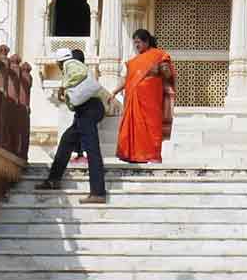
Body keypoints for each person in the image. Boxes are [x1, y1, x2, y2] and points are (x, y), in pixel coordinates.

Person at [43, 47, 110, 200]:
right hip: (85, 110)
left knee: (92, 149)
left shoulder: (70, 64)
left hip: (89, 109)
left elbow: (79, 74)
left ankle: (98, 192)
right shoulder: (72, 66)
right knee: (67, 140)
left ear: (60, 62)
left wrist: (63, 86)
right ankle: (53, 180)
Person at [115, 27, 176, 166]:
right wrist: (114, 92)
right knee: (133, 129)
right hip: (133, 100)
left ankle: (153, 156)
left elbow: (168, 75)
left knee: (152, 127)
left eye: (139, 42)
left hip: (151, 100)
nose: (137, 45)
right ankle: (133, 155)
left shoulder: (158, 55)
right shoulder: (134, 62)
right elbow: (127, 79)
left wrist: (162, 68)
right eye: (134, 42)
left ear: (147, 42)